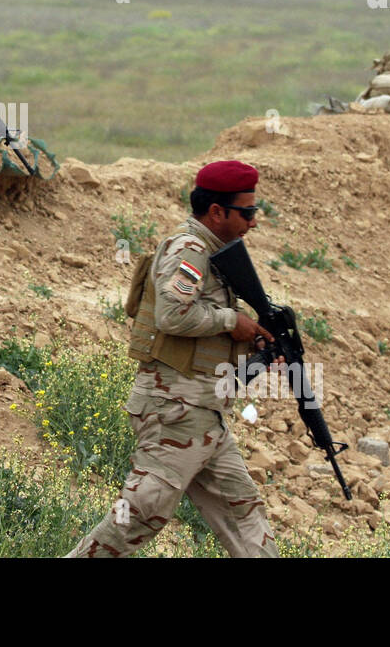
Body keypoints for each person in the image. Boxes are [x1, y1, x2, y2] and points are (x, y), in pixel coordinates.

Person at [66, 159, 280, 558]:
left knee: (244, 513)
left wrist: (255, 341)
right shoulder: (190, 248)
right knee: (142, 510)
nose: (253, 221)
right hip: (175, 409)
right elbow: (173, 315)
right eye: (247, 212)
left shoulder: (215, 255)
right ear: (217, 211)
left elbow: (206, 332)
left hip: (203, 411)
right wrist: (233, 320)